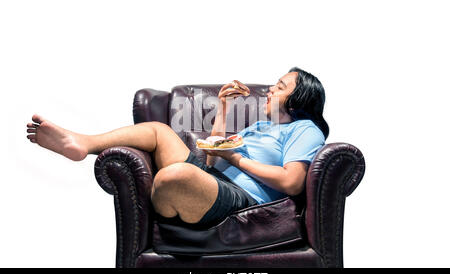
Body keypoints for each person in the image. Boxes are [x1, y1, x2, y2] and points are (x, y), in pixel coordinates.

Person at [26, 67, 329, 229]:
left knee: (176, 176)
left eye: (280, 86)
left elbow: (292, 182)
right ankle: (82, 143)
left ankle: (169, 191)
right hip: (213, 178)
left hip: (245, 197)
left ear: (299, 98)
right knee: (159, 131)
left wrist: (234, 158)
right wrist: (224, 108)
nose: (270, 90)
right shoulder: (262, 127)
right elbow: (211, 157)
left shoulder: (305, 130)